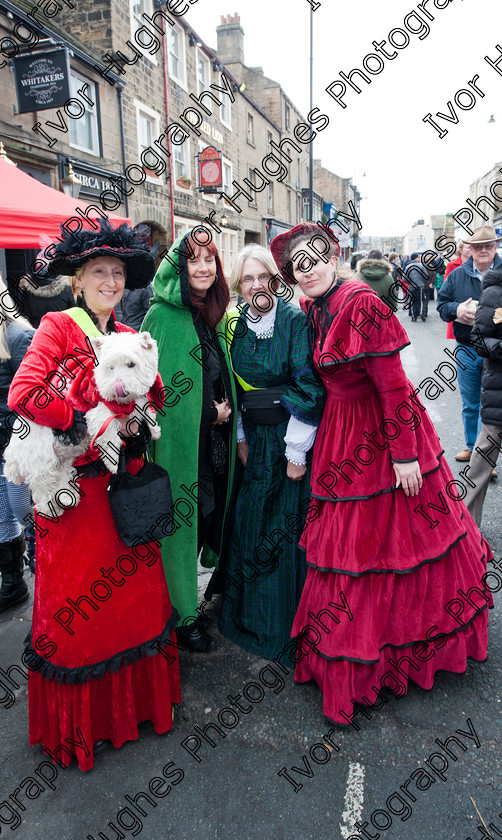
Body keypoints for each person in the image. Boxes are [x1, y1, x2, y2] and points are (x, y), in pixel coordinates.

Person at [269, 222, 492, 726]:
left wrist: (405, 455)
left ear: (333, 257)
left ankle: (390, 655)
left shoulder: (359, 304)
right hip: (341, 432)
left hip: (380, 433)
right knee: (360, 548)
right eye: (296, 266)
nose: (306, 271)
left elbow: (393, 387)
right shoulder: (316, 306)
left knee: (392, 546)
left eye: (314, 259)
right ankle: (367, 645)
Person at [8, 219, 181, 771]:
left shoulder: (126, 328)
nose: (110, 280)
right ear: (78, 281)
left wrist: (140, 404)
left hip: (122, 490)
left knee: (129, 604)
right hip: (77, 499)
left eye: (118, 272)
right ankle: (85, 724)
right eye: (98, 272)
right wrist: (80, 423)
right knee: (81, 615)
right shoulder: (59, 325)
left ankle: (129, 711)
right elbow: (23, 392)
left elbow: (152, 390)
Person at [217, 243, 324, 661]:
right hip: (254, 441)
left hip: (290, 435)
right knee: (252, 520)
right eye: (248, 278)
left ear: (276, 281)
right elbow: (233, 387)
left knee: (286, 524)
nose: (257, 285)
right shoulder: (236, 324)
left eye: (264, 277)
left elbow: (307, 384)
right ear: (238, 286)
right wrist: (240, 436)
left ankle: (288, 622)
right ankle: (248, 614)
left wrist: (296, 453)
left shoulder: (295, 321)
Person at [142, 230, 237, 652]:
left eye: (209, 261)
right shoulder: (161, 317)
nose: (202, 268)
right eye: (193, 260)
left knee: (204, 518)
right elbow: (156, 395)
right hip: (181, 447)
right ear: (177, 268)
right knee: (181, 527)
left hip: (211, 446)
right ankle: (182, 617)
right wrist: (209, 414)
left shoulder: (206, 312)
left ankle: (186, 602)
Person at [438, 226, 502, 462]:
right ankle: (472, 447)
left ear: (496, 247)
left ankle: (487, 456)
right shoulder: (456, 275)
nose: (483, 250)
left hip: (496, 351)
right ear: (470, 249)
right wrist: (457, 310)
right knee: (470, 403)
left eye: (488, 246)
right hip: (466, 347)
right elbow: (442, 306)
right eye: (478, 247)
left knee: (494, 404)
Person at [0, 277, 34, 609]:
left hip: (19, 450)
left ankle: (48, 601)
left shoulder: (17, 335)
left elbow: (36, 402)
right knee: (2, 520)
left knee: (30, 516)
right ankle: (13, 584)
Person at [464, 265, 502, 525]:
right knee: (481, 463)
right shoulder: (495, 290)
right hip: (499, 392)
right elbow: (478, 339)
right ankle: (464, 527)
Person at [444, 242, 472, 341]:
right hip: (458, 304)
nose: (471, 249)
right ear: (460, 250)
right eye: (468, 247)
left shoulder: (475, 264)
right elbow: (446, 287)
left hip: (472, 304)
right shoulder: (452, 265)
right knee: (459, 336)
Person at [405, 252, 430, 321]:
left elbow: (405, 278)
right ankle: (421, 313)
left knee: (413, 301)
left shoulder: (408, 267)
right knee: (421, 300)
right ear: (417, 258)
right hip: (420, 286)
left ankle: (413, 316)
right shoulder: (421, 266)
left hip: (412, 287)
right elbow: (426, 276)